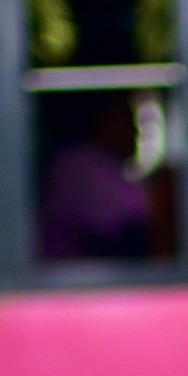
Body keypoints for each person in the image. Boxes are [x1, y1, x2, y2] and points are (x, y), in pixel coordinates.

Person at [40, 96, 153, 263]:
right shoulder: (76, 164)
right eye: (127, 120)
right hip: (76, 274)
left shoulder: (114, 166)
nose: (136, 132)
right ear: (104, 121)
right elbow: (108, 237)